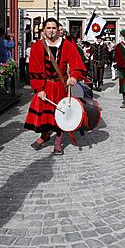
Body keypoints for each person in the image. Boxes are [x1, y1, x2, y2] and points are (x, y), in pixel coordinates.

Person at [24, 18, 86, 154]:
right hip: (45, 85)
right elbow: (34, 69)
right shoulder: (37, 47)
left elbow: (77, 64)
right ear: (44, 30)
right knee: (45, 116)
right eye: (48, 28)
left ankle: (58, 142)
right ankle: (44, 136)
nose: (51, 31)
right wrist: (39, 89)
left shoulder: (68, 45)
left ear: (58, 29)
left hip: (60, 85)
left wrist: (74, 77)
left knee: (61, 114)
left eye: (53, 28)